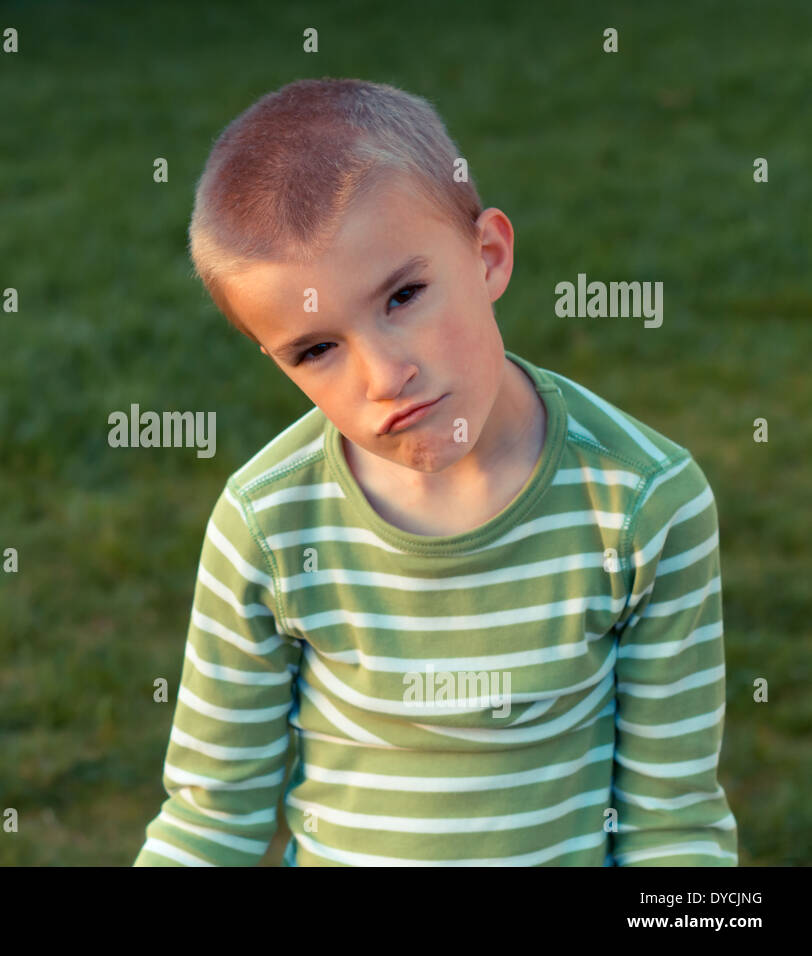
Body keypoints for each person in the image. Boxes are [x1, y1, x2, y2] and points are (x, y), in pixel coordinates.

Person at [133, 78, 737, 866]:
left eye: (404, 295)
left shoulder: (644, 505)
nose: (385, 375)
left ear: (487, 256)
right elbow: (211, 820)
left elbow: (673, 828)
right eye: (317, 349)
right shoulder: (269, 526)